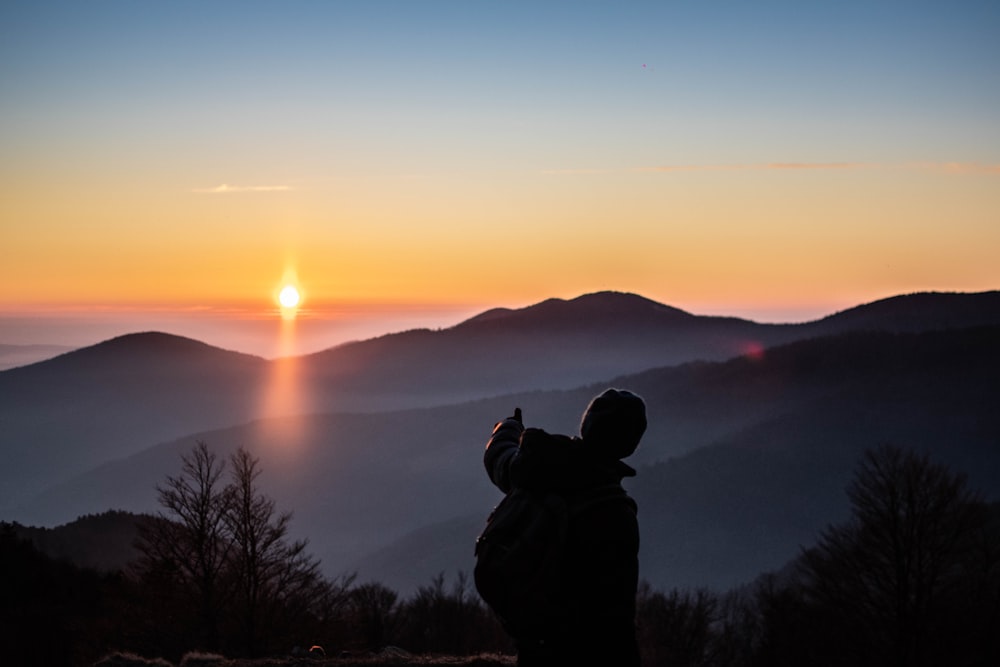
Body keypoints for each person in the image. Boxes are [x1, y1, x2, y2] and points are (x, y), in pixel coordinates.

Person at [483, 388, 647, 667]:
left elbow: (500, 461)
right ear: (630, 444)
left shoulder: (539, 467)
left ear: (587, 425)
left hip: (534, 638)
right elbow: (617, 617)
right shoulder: (615, 512)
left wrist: (508, 428)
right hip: (579, 649)